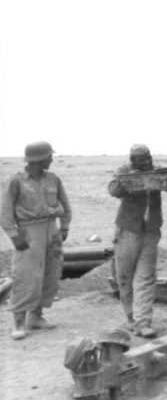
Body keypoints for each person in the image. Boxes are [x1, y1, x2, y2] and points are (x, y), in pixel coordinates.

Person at [1, 141, 71, 340]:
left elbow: (65, 205)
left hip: (52, 229)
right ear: (39, 159)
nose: (51, 159)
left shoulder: (54, 180)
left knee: (50, 274)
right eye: (49, 156)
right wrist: (14, 237)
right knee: (26, 276)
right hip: (29, 232)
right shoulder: (16, 182)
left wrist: (64, 227)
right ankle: (19, 322)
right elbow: (5, 213)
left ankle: (36, 317)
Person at [108, 144, 162, 338]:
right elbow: (113, 190)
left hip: (150, 230)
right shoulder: (124, 171)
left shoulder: (156, 172)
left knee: (146, 277)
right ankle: (131, 316)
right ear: (132, 160)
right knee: (124, 276)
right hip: (128, 229)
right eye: (141, 159)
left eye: (147, 158)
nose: (146, 162)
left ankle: (142, 321)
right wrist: (130, 178)